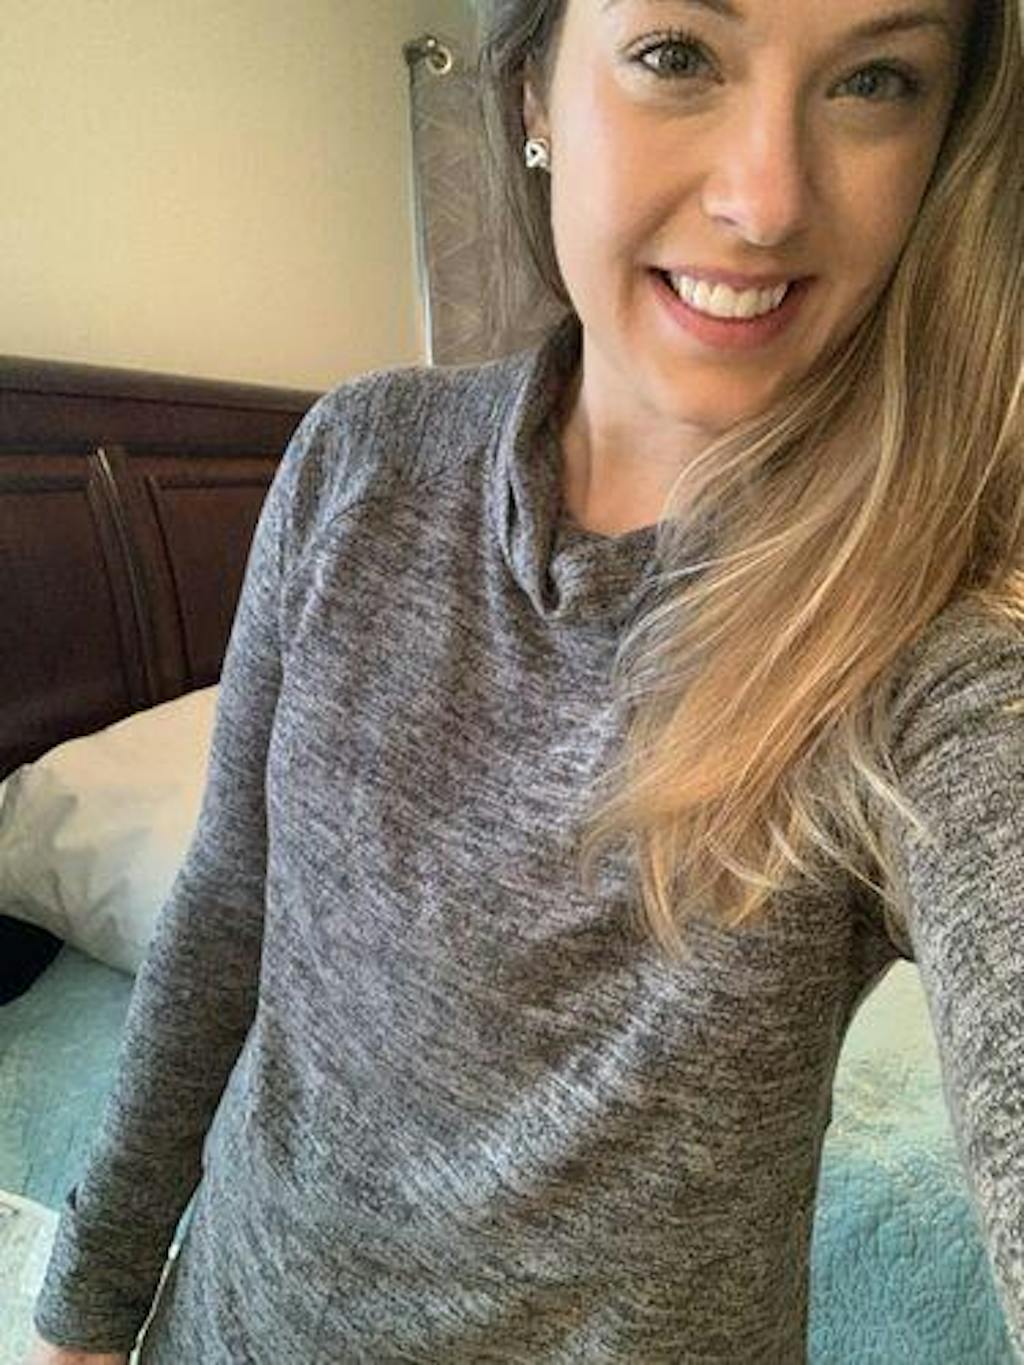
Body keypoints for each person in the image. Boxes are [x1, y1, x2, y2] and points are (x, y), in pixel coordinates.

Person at [27, 0, 1023, 1360]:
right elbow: (227, 906)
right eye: (678, 55)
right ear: (532, 95)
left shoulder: (933, 635)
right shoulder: (355, 460)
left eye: (876, 81)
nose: (768, 200)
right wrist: (91, 1300)